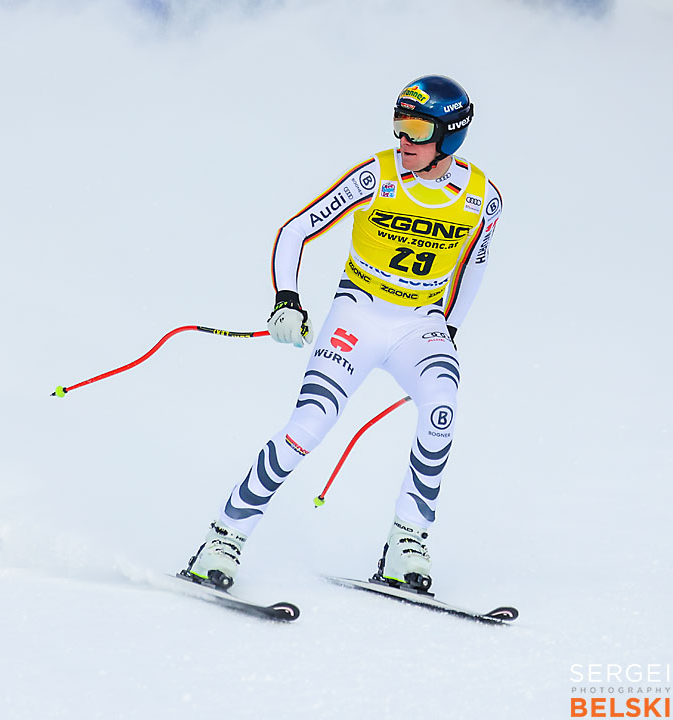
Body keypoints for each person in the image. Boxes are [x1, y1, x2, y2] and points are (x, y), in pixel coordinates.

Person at [184, 75, 502, 593]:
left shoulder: (482, 197)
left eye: (418, 131)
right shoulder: (378, 175)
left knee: (442, 407)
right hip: (358, 313)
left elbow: (473, 265)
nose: (403, 140)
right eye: (399, 125)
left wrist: (449, 329)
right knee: (308, 427)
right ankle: (224, 539)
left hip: (420, 323)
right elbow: (295, 230)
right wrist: (287, 299)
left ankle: (407, 543)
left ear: (450, 136)